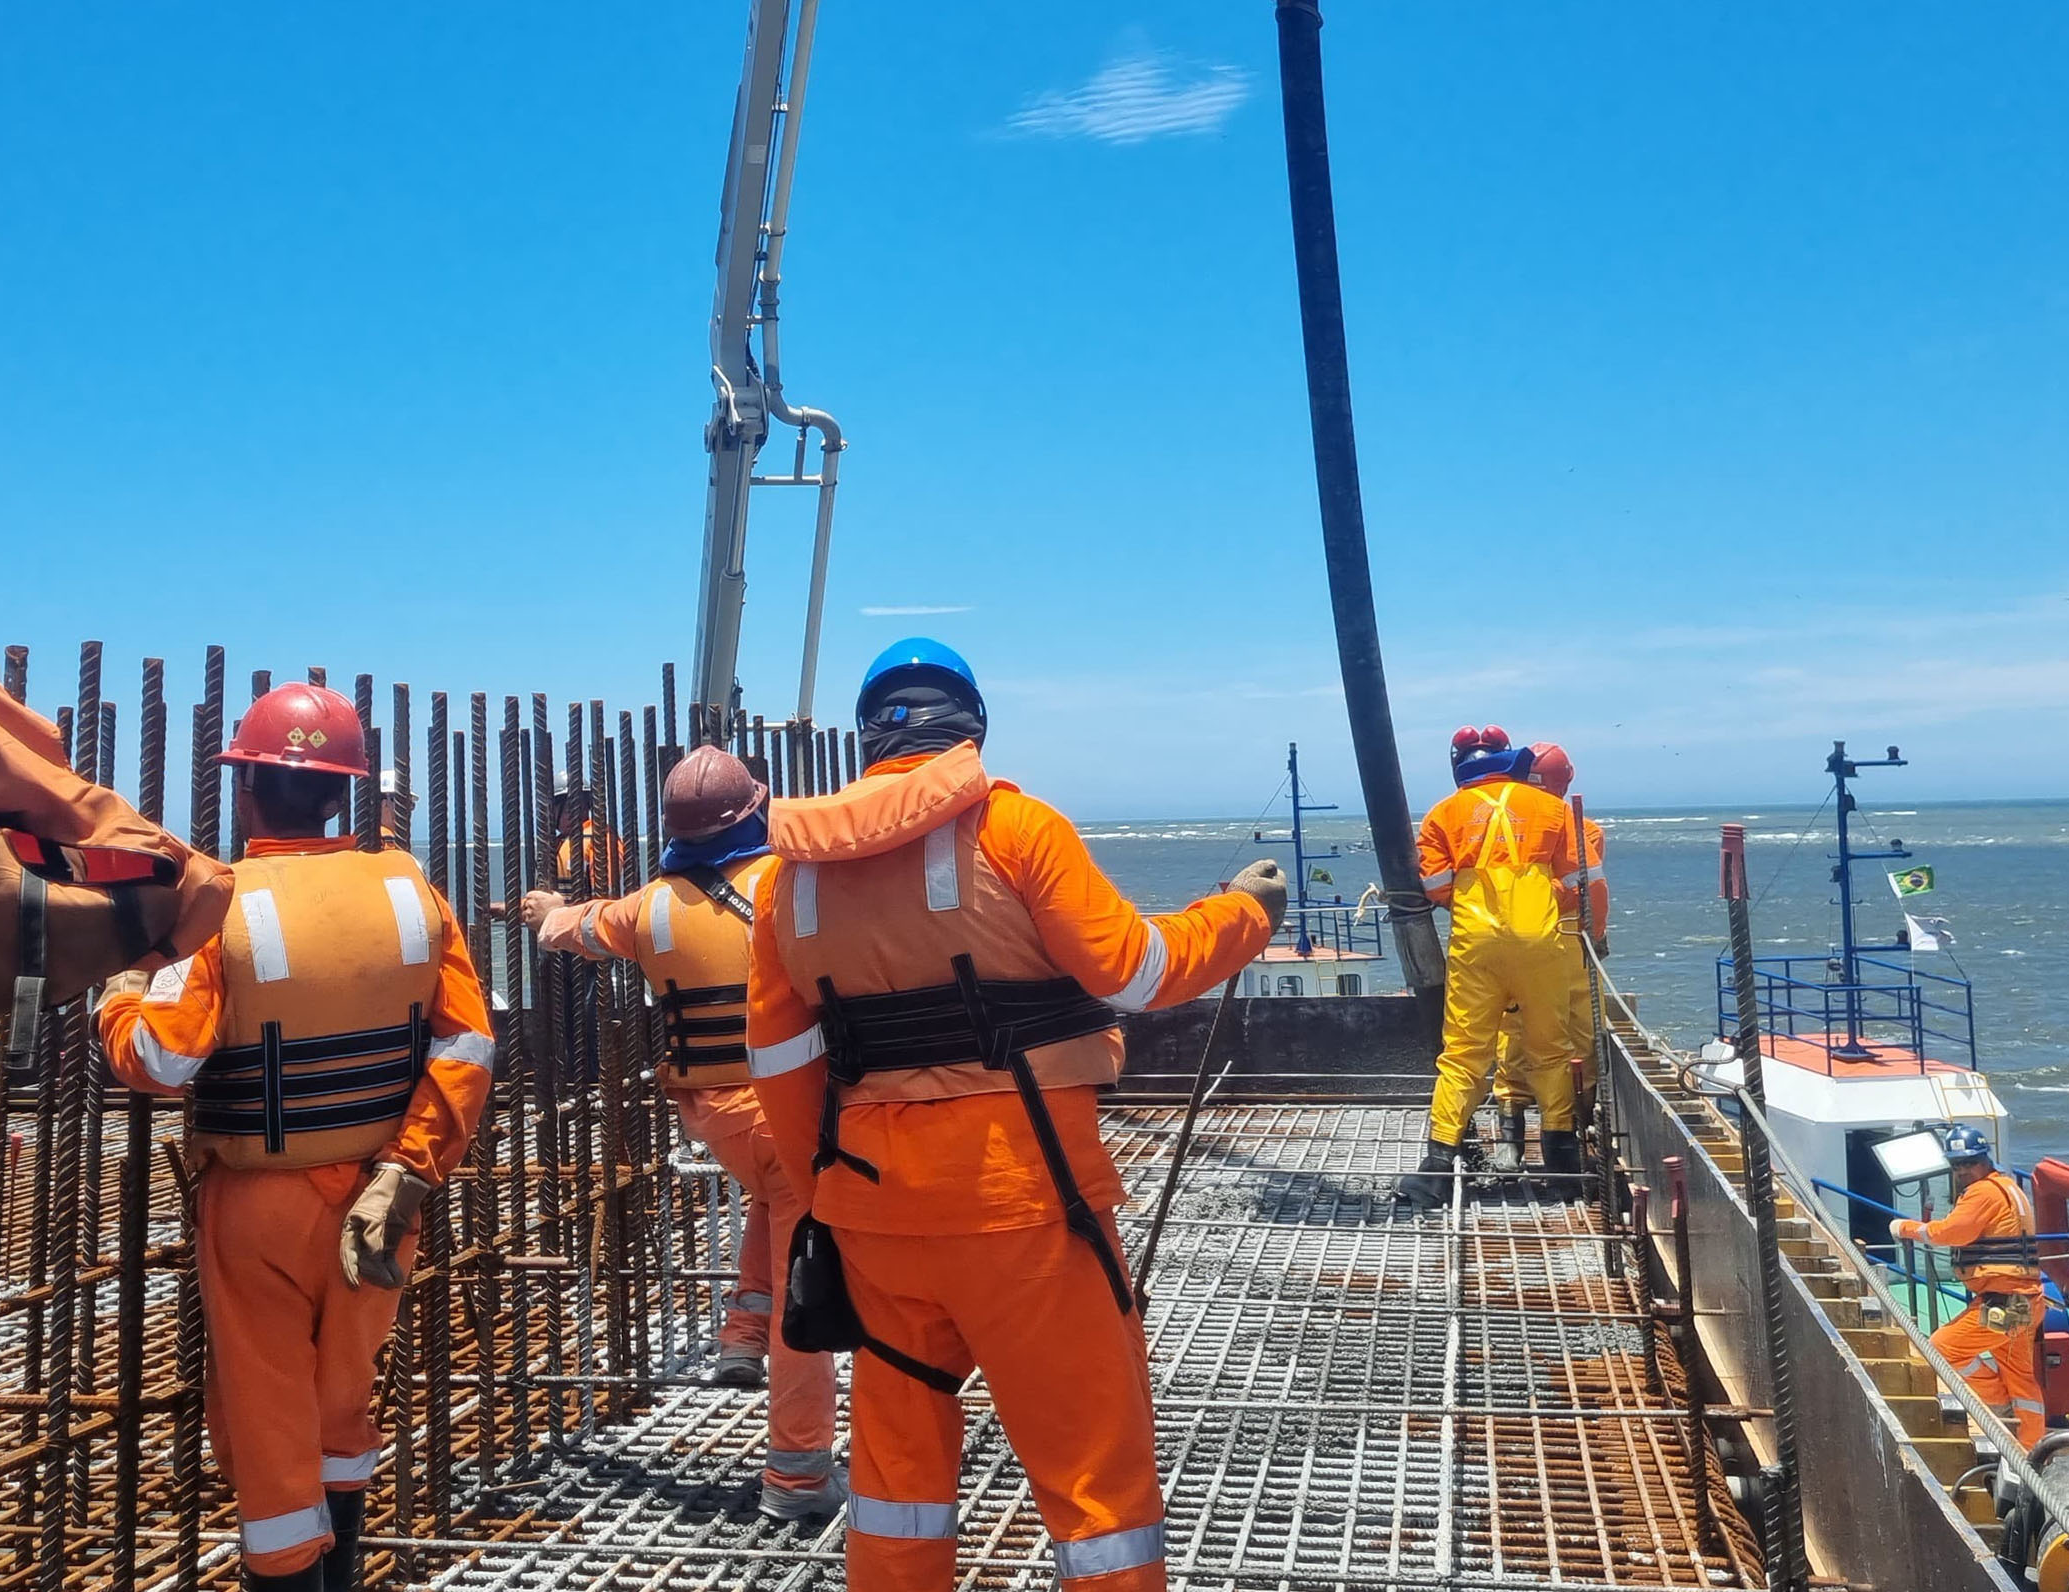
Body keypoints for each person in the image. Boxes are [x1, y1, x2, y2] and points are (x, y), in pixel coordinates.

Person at [745, 638, 1284, 1592]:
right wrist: (1242, 916)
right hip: (1026, 1206)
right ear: (973, 726)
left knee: (896, 1481)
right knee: (1094, 1480)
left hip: (873, 1215)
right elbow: (1139, 971)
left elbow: (781, 1062)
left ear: (867, 739)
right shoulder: (1016, 829)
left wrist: (827, 1196)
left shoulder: (792, 882)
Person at [98, 682, 495, 1592]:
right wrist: (409, 1169)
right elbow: (468, 1046)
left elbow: (161, 1063)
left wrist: (118, 996)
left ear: (245, 790)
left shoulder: (220, 903)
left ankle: (287, 1568)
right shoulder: (410, 889)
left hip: (260, 1206)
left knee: (270, 1426)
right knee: (341, 1403)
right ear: (341, 792)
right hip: (383, 1200)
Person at [516, 744, 839, 1521]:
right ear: (754, 809)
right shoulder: (790, 887)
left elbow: (578, 928)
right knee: (813, 1289)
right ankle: (796, 1478)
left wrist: (542, 912)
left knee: (773, 1193)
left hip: (715, 1116)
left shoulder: (650, 907)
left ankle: (742, 1330)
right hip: (791, 1108)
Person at [1401, 727, 1585, 1205]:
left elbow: (1435, 885)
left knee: (1463, 1053)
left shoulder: (1444, 813)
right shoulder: (1552, 808)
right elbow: (1573, 883)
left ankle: (1437, 1165)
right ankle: (1562, 1158)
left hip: (1476, 944)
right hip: (1541, 942)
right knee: (1551, 1048)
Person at [1891, 1126, 2049, 1448]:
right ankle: (2031, 1448)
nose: (1962, 1170)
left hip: (2006, 1303)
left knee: (1942, 1348)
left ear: (1984, 1159)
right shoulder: (2008, 1187)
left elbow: (1952, 1232)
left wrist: (1906, 1228)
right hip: (2025, 1300)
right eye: (1956, 1164)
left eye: (1969, 1162)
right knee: (2020, 1377)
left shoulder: (1982, 1193)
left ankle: (1998, 1404)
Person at [1492, 741, 1607, 1167]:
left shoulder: (1584, 830)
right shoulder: (1513, 825)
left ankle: (1568, 1133)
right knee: (1519, 1033)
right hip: (1536, 943)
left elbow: (1579, 888)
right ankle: (1513, 1131)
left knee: (1569, 1039)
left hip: (1563, 945)